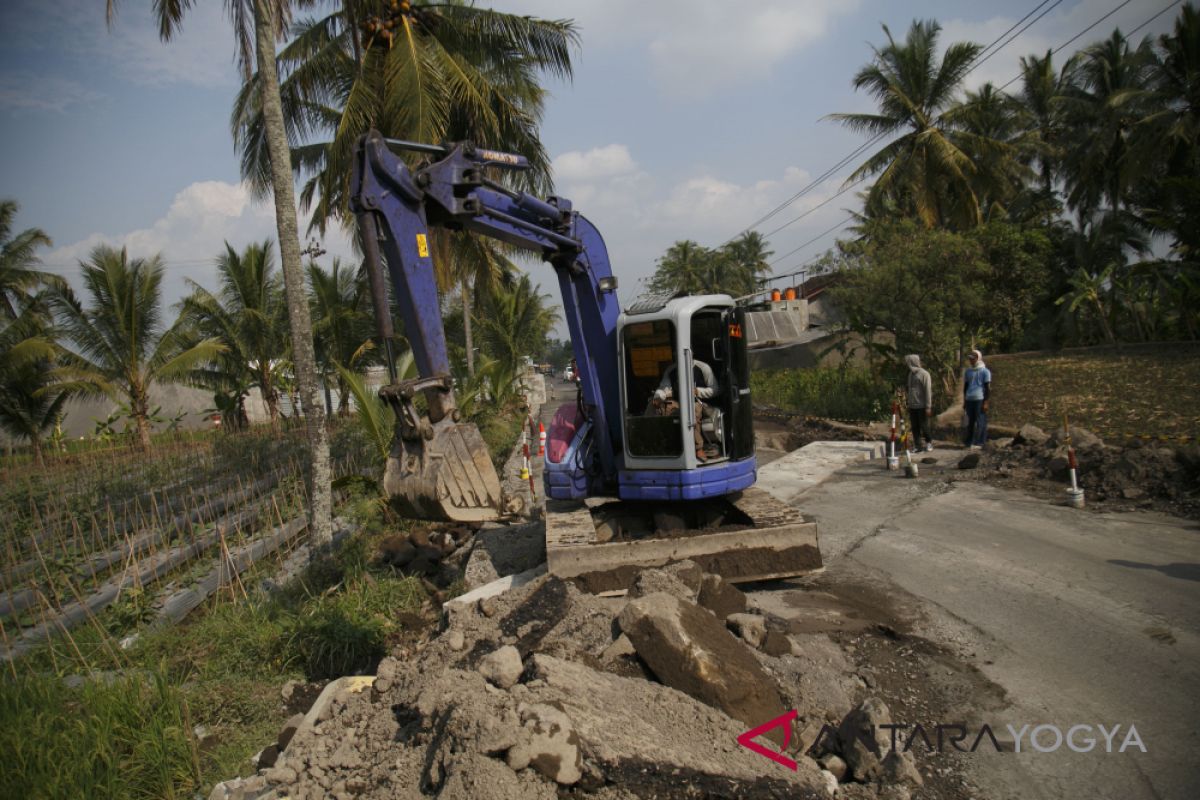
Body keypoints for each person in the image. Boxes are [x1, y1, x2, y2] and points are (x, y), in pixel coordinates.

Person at [649, 360, 718, 460]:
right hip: (678, 402)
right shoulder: (671, 370)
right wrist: (658, 396)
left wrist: (698, 391)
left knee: (691, 409)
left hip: (699, 402)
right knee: (665, 406)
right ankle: (662, 444)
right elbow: (664, 388)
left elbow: (716, 389)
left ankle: (698, 448)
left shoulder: (703, 368)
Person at [962, 349, 991, 449]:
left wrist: (986, 402)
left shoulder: (985, 371)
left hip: (980, 398)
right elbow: (965, 387)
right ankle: (969, 441)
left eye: (973, 359)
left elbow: (987, 388)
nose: (971, 360)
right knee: (970, 421)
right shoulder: (968, 371)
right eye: (970, 359)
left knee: (981, 421)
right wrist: (965, 400)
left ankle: (980, 442)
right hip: (970, 398)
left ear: (978, 358)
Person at [904, 354, 934, 451]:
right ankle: (918, 446)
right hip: (913, 405)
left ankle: (929, 442)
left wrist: (928, 406)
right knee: (915, 427)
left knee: (924, 425)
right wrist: (908, 403)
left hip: (922, 405)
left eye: (909, 362)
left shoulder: (924, 374)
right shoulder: (910, 374)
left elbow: (928, 391)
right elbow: (909, 390)